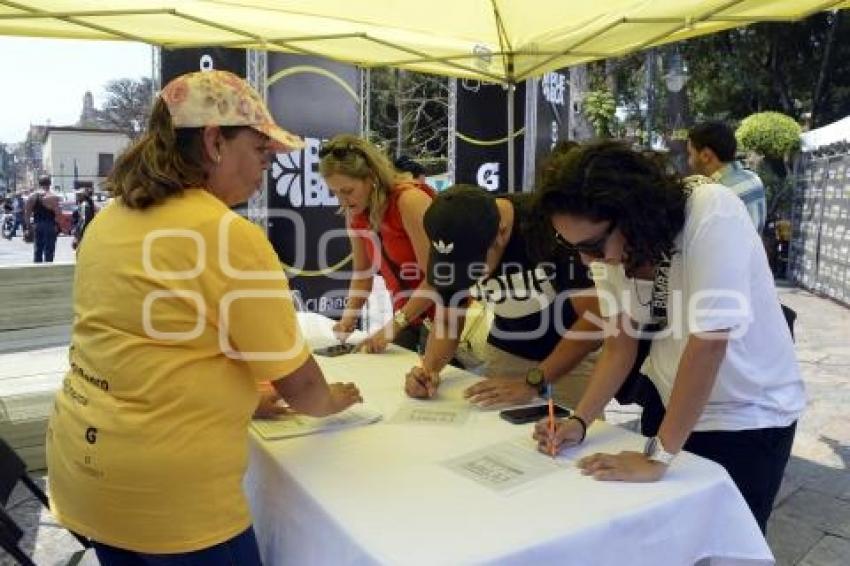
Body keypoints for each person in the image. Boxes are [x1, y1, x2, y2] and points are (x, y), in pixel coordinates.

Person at [46, 70, 362, 565]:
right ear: (215, 141)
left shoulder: (109, 219)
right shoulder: (225, 233)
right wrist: (331, 400)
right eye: (260, 152)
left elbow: (149, 347)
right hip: (173, 502)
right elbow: (301, 386)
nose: (266, 169)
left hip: (87, 469)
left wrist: (238, 399)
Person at [533, 141, 805, 532]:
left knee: (722, 544)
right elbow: (618, 346)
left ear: (633, 215)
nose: (586, 260)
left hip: (746, 415)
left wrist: (657, 456)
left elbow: (709, 343)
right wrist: (579, 420)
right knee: (664, 539)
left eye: (592, 246)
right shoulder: (610, 254)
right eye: (572, 247)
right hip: (671, 405)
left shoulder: (711, 210)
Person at [405, 184, 602, 409]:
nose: (469, 276)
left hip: (573, 351)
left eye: (475, 266)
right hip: (509, 345)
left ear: (501, 232)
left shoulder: (548, 227)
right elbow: (449, 321)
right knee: (495, 426)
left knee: (571, 434)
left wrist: (533, 382)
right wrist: (429, 370)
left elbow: (594, 320)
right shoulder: (453, 237)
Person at [320, 135, 436, 354]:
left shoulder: (410, 201)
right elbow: (363, 273)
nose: (342, 202)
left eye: (347, 191)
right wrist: (348, 317)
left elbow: (437, 278)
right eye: (334, 193)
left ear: (371, 177)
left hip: (446, 314)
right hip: (408, 315)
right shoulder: (354, 213)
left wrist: (392, 327)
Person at [688, 121, 767, 233]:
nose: (689, 162)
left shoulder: (715, 195)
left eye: (690, 154)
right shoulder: (754, 179)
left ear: (705, 156)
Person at [24, 175, 61, 262]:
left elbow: (27, 213)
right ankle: (48, 270)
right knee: (49, 250)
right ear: (50, 183)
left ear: (39, 183)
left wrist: (28, 227)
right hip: (50, 224)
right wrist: (57, 225)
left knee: (38, 249)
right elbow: (58, 213)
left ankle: (37, 271)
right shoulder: (53, 196)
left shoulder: (32, 196)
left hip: (37, 224)